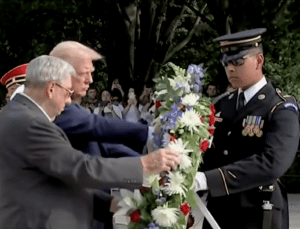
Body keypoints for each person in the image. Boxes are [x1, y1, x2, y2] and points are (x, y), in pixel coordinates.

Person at [0, 55, 181, 229]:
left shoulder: (22, 116)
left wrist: (114, 205)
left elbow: (59, 180)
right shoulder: (30, 123)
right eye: (68, 92)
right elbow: (80, 167)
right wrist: (144, 165)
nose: (69, 100)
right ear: (51, 88)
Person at [194, 28, 299, 229]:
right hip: (219, 210)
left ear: (259, 61)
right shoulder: (222, 105)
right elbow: (209, 152)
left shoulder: (280, 107)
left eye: (238, 62)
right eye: (226, 63)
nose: (230, 68)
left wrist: (207, 180)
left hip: (258, 211)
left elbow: (273, 163)